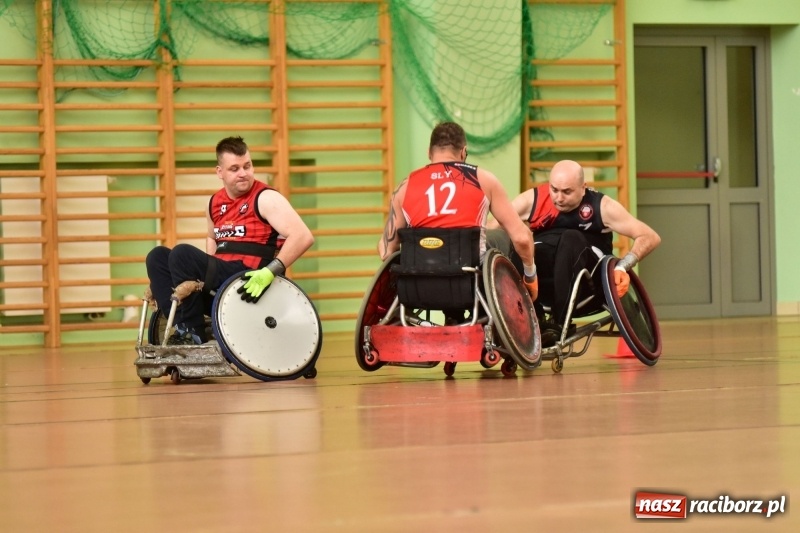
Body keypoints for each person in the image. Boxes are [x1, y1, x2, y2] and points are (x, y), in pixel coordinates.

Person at [145, 136, 314, 344]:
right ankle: (183, 327)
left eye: (247, 166)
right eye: (235, 169)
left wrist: (270, 271)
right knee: (157, 257)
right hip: (222, 277)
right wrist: (200, 279)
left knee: (182, 253)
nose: (243, 173)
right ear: (220, 172)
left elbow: (303, 236)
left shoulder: (266, 198)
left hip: (247, 278)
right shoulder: (214, 203)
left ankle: (192, 332)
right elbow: (211, 237)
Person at [488, 159, 661, 343]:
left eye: (567, 192)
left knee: (571, 238)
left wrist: (622, 267)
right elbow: (491, 230)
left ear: (583, 187)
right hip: (543, 282)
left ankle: (561, 323)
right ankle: (533, 319)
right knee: (516, 241)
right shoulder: (533, 199)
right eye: (554, 190)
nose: (559, 198)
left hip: (588, 283)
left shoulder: (602, 207)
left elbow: (650, 236)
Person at [378, 121, 538, 317]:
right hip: (469, 283)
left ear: (429, 152)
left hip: (418, 284)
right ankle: (511, 314)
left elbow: (386, 251)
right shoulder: (482, 179)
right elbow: (521, 238)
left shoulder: (404, 186)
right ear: (463, 152)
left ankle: (452, 316)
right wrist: (530, 274)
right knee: (502, 237)